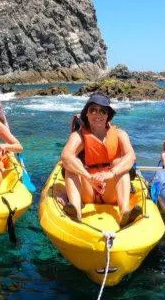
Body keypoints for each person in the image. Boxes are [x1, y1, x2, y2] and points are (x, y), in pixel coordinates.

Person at [60, 93, 141, 227]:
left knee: (118, 163)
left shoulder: (120, 134)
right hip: (88, 190)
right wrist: (88, 177)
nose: (98, 114)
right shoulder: (78, 136)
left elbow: (131, 156)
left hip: (110, 189)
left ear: (108, 115)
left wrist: (111, 173)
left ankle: (125, 211)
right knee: (72, 165)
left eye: (102, 111)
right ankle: (76, 211)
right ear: (86, 114)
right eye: (93, 110)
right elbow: (66, 156)